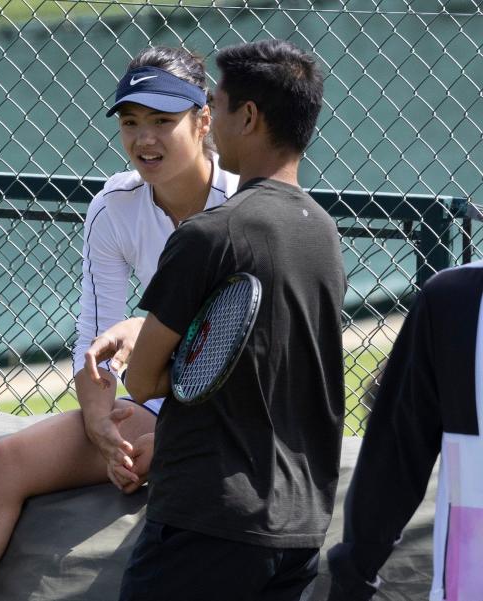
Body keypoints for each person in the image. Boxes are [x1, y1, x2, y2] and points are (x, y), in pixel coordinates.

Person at [0, 46, 239, 601]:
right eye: (131, 122)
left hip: (236, 414)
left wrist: (168, 434)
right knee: (6, 459)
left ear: (204, 119)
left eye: (163, 121)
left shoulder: (244, 204)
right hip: (156, 401)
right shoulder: (113, 206)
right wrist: (99, 418)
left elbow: (245, 348)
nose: (145, 139)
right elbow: (95, 336)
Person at [87, 39, 346, 600]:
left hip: (206, 520)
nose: (213, 116)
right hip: (303, 523)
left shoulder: (209, 234)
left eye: (218, 105)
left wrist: (140, 333)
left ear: (246, 117)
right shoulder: (322, 231)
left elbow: (144, 379)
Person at [326, 261, 483, 601]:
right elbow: (394, 461)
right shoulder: (456, 300)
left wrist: (352, 575)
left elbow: (394, 461)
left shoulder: (457, 299)